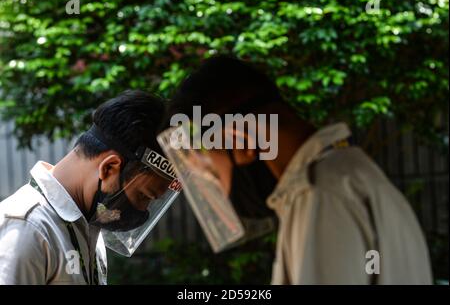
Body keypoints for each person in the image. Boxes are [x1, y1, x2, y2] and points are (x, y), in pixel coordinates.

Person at [157, 55, 432, 284]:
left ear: (239, 140)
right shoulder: (355, 175)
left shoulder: (318, 194)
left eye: (214, 176)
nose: (222, 193)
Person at [0, 90, 181, 284]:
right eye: (144, 196)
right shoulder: (28, 230)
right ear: (109, 168)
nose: (143, 210)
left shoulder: (87, 226)